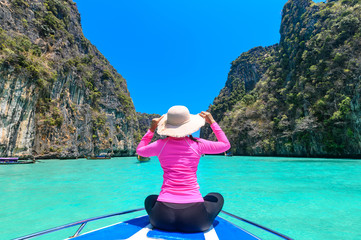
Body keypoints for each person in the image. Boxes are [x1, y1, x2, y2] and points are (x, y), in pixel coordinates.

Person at [136, 105, 230, 233]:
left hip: (161, 219)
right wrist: (212, 122)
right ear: (190, 126)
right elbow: (225, 145)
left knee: (150, 199)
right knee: (216, 196)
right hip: (196, 220)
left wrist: (151, 129)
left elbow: (140, 150)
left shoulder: (159, 145)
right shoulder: (198, 144)